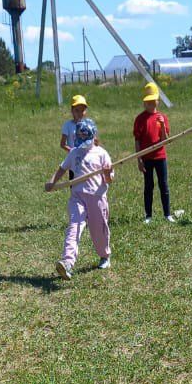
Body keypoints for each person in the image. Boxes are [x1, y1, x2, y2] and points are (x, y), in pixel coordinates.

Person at [45, 119, 114, 279]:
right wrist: (52, 181)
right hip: (77, 197)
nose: (82, 144)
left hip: (96, 198)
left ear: (93, 137)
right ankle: (67, 262)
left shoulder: (101, 154)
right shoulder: (74, 152)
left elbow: (110, 179)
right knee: (74, 226)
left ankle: (104, 256)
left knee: (99, 231)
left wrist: (106, 173)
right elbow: (62, 169)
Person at [133, 81, 175, 224]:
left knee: (163, 184)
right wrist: (139, 159)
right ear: (144, 103)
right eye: (148, 102)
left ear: (158, 101)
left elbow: (165, 140)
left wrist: (163, 126)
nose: (151, 104)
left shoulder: (162, 118)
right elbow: (137, 141)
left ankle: (167, 214)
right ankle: (148, 215)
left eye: (154, 101)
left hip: (160, 157)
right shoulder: (139, 119)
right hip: (146, 158)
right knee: (148, 186)